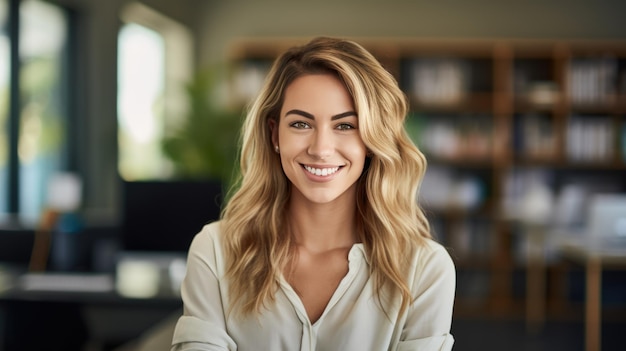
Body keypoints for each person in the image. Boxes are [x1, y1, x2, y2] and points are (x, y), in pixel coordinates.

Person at [171, 36, 456, 351]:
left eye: (345, 126)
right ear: (274, 134)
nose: (321, 149)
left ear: (373, 140)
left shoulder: (425, 270)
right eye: (301, 124)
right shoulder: (215, 251)